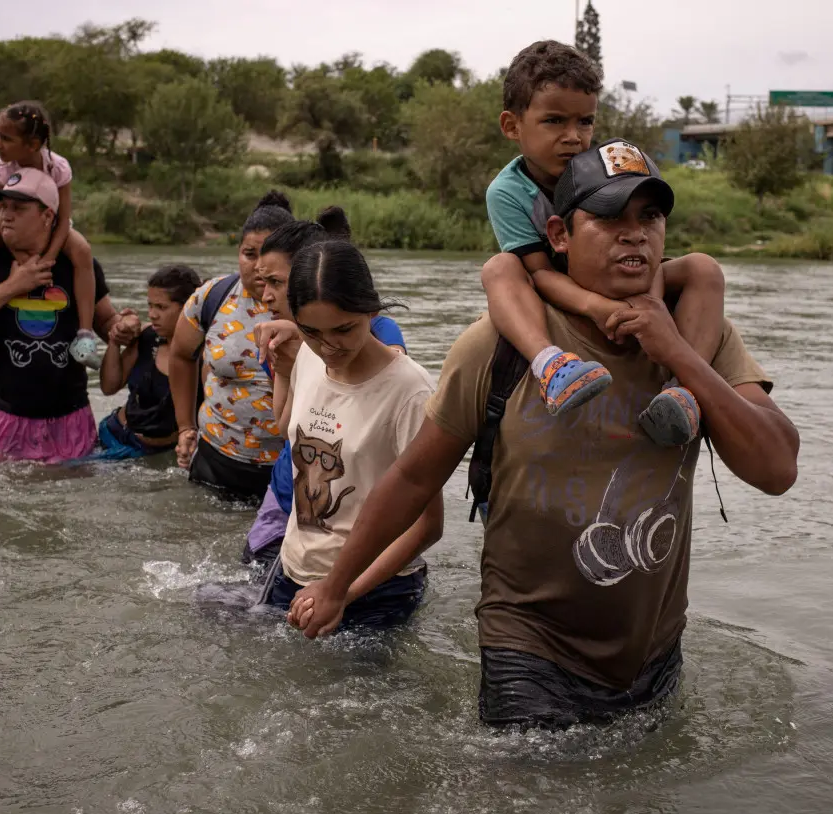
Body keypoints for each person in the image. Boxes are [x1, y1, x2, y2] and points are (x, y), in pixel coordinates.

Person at [290, 143, 800, 731]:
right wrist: (335, 587)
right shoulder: (502, 343)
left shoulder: (701, 334)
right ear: (559, 233)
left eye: (650, 218)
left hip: (653, 651)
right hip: (527, 648)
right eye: (609, 219)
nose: (634, 236)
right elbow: (412, 477)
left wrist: (681, 357)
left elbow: (776, 469)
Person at [483, 40, 726, 447]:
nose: (573, 137)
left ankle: (686, 391)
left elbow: (645, 246)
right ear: (512, 126)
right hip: (555, 282)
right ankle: (551, 365)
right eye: (554, 121)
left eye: (585, 122)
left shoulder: (601, 168)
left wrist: (647, 305)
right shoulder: (507, 191)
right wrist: (601, 309)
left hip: (614, 274)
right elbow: (539, 271)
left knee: (703, 267)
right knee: (499, 269)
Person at [264, 239, 442, 630]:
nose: (329, 346)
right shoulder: (307, 357)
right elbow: (288, 430)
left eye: (344, 329)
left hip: (375, 590)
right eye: (312, 331)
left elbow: (428, 525)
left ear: (371, 310)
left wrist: (341, 592)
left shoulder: (410, 392)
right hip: (295, 572)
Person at [0, 168, 140, 463]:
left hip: (71, 417)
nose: (6, 215)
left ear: (47, 216)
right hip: (4, 417)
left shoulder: (76, 263)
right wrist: (13, 286)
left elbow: (106, 321)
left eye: (18, 208)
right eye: (3, 206)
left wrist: (125, 326)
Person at [241, 208, 407, 568]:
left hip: (342, 515)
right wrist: (287, 367)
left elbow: (386, 385)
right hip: (288, 497)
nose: (265, 295)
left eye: (277, 283)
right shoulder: (290, 339)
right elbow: (285, 427)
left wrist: (306, 342)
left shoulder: (373, 336)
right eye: (262, 282)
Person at [169, 192, 294, 504]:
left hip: (287, 469)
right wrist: (185, 428)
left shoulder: (311, 301)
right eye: (249, 254)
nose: (258, 267)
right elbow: (181, 355)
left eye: (268, 255)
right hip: (216, 459)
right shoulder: (212, 296)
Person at [0, 101, 101, 370]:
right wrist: (17, 254)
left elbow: (62, 219)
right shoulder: (1, 170)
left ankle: (85, 335)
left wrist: (46, 259)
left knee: (82, 249)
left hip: (52, 229)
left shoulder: (58, 168)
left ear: (33, 144)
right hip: (11, 227)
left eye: (6, 138)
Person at [96, 265, 203, 460]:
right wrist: (114, 339)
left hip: (158, 452)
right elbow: (109, 387)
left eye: (161, 307)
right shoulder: (146, 337)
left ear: (189, 306)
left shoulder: (204, 354)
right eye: (150, 306)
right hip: (115, 435)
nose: (152, 314)